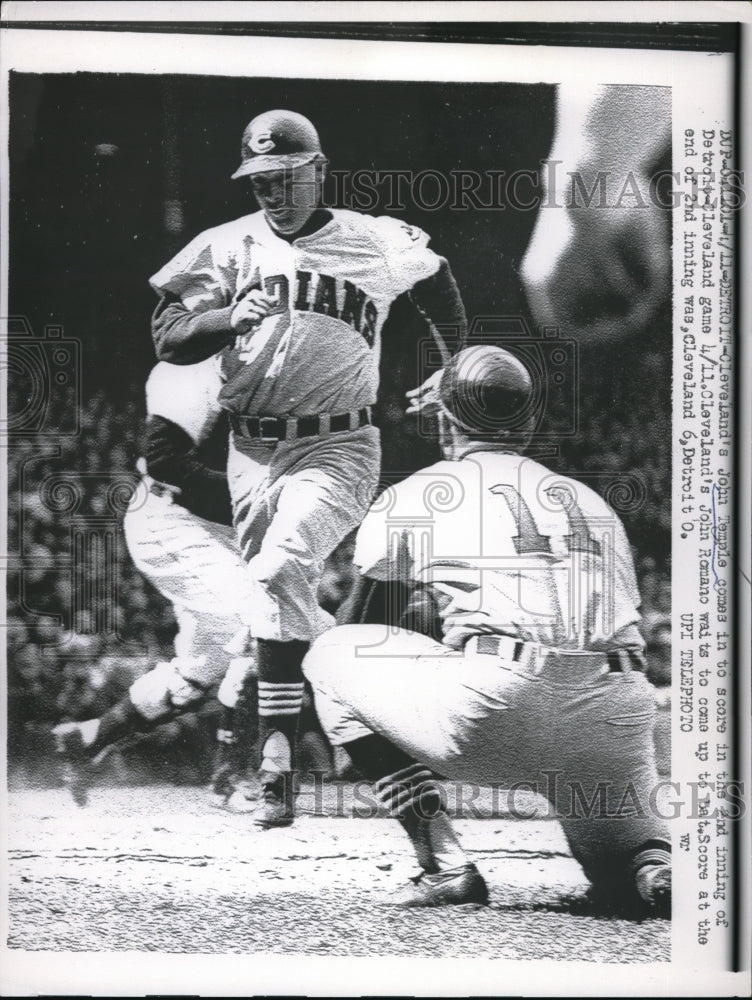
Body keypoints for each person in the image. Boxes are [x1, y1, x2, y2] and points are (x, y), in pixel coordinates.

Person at [148, 109, 467, 828]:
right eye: (260, 181)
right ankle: (315, 742)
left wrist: (453, 365)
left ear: (319, 169)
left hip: (339, 444)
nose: (274, 191)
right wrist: (228, 318)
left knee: (277, 567)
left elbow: (438, 279)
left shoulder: (372, 238)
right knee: (277, 599)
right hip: (251, 451)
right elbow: (168, 337)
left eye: (287, 176)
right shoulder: (223, 246)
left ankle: (275, 762)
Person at [303, 345, 671, 913]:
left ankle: (445, 866)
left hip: (495, 706)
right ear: (526, 423)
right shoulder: (592, 502)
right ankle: (652, 867)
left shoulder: (419, 492)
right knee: (627, 870)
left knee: (329, 654)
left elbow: (365, 625)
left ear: (446, 419)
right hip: (613, 714)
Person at [53, 359, 257, 808]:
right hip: (175, 517)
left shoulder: (282, 362)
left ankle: (90, 738)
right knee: (262, 625)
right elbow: (167, 463)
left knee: (206, 665)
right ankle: (232, 775)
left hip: (222, 527)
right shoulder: (192, 368)